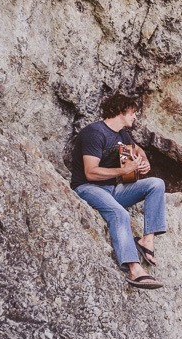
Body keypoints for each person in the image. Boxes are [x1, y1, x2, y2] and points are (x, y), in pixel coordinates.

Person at [69, 94, 166, 289]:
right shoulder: (94, 133)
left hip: (113, 189)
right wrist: (123, 171)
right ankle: (134, 269)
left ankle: (147, 240)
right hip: (88, 188)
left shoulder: (122, 134)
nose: (135, 117)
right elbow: (90, 172)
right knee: (120, 214)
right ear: (121, 111)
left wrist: (143, 161)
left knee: (156, 183)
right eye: (133, 113)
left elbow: (138, 150)